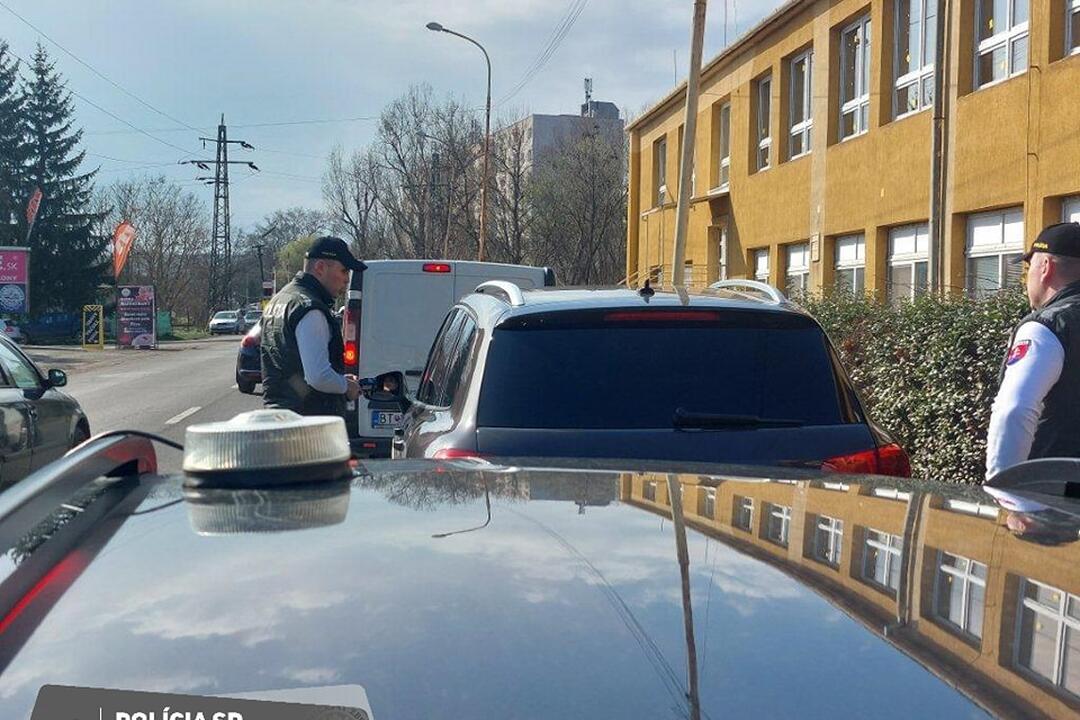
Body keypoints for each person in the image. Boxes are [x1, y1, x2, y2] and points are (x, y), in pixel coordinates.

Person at [986, 222, 1080, 478]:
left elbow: (1014, 409)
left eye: (1028, 267)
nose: (1025, 278)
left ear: (1046, 268)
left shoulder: (1048, 327)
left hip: (1057, 497)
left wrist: (1003, 491)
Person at [261, 236, 363, 417]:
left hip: (278, 417)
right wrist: (347, 386)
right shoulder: (309, 308)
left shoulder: (280, 299)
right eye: (344, 270)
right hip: (308, 424)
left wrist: (339, 380)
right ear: (320, 268)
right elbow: (318, 376)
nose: (347, 280)